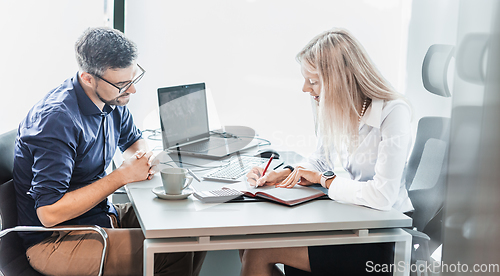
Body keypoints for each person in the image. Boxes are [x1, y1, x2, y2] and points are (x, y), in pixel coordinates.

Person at [13, 27, 206, 276]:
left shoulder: (112, 98)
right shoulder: (57, 121)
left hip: (100, 216)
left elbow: (133, 142)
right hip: (55, 240)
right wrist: (122, 176)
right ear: (87, 78)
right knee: (172, 249)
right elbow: (49, 213)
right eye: (123, 84)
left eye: (134, 78)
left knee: (191, 231)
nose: (132, 90)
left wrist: (141, 160)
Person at [242, 28, 414, 275]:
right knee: (247, 241)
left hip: (383, 236)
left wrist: (325, 181)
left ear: (340, 80)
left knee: (258, 251)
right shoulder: (336, 109)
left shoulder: (393, 112)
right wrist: (286, 174)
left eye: (313, 82)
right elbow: (320, 161)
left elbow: (383, 195)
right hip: (355, 222)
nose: (305, 88)